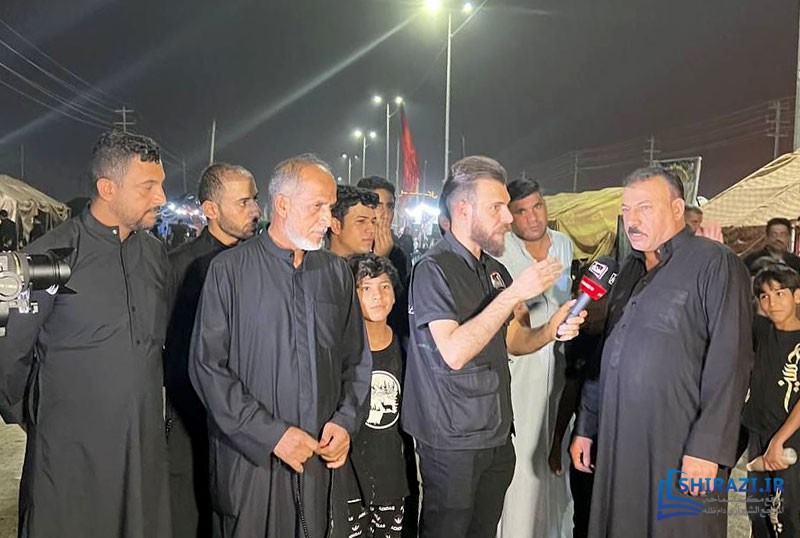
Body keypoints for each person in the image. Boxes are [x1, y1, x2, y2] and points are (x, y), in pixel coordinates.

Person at [188, 154, 372, 538]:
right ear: (283, 205)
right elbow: (207, 367)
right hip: (252, 465)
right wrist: (272, 436)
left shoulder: (335, 272)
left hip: (320, 461)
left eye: (330, 207)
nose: (328, 219)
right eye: (317, 206)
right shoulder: (229, 271)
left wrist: (345, 422)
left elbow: (356, 360)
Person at [401, 155, 585, 538]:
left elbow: (514, 341)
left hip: (497, 435)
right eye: (497, 208)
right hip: (452, 441)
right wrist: (514, 294)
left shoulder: (495, 270)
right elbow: (453, 352)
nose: (508, 218)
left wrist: (550, 329)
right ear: (463, 210)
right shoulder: (433, 269)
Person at [0, 131, 171, 538]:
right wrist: (42, 416)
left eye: (160, 185)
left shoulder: (154, 255)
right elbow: (9, 356)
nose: (161, 198)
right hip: (70, 455)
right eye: (148, 186)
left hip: (142, 447)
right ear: (108, 188)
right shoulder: (49, 257)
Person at [569, 166, 754, 538]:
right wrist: (586, 426)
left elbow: (731, 361)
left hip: (680, 442)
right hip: (619, 441)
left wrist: (707, 448)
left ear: (676, 209)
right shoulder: (627, 271)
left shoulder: (714, 263)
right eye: (626, 210)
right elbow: (607, 354)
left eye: (644, 208)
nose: (632, 220)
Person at [164, 163, 261, 538]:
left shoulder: (264, 262)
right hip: (192, 421)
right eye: (243, 202)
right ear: (210, 209)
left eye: (254, 200)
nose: (255, 210)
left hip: (250, 417)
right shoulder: (180, 266)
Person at [493, 177, 574, 538]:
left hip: (559, 365)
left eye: (537, 206)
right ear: (510, 216)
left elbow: (564, 299)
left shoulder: (564, 244)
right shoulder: (502, 252)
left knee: (554, 453)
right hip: (520, 365)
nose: (533, 217)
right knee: (521, 459)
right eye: (522, 211)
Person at [345, 253, 409, 537]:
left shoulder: (406, 348)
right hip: (347, 478)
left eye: (384, 287)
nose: (377, 296)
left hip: (390, 479)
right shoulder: (340, 351)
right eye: (366, 288)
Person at [742, 264, 800, 537]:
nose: (772, 302)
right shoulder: (761, 330)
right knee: (757, 511)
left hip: (791, 438)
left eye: (779, 293)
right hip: (758, 434)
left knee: (788, 514)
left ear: (797, 296)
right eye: (764, 296)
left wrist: (779, 441)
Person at [357, 176, 410, 283]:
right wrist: (379, 260)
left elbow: (400, 292)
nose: (385, 215)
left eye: (390, 207)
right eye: (378, 206)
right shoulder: (352, 248)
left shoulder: (398, 255)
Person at [328, 185, 378, 257]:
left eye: (373, 222)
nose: (371, 230)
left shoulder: (376, 263)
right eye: (361, 221)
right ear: (336, 225)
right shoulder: (314, 263)